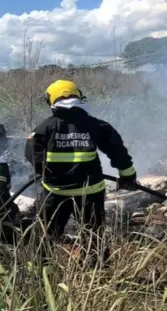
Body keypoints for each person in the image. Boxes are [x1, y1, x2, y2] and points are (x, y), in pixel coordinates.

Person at [24, 79, 137, 267]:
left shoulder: (43, 128)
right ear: (79, 98)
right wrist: (128, 176)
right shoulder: (97, 125)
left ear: (50, 102)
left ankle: (37, 273)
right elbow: (118, 151)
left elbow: (32, 154)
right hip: (90, 192)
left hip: (55, 192)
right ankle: (97, 274)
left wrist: (44, 173)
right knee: (93, 235)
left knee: (45, 235)